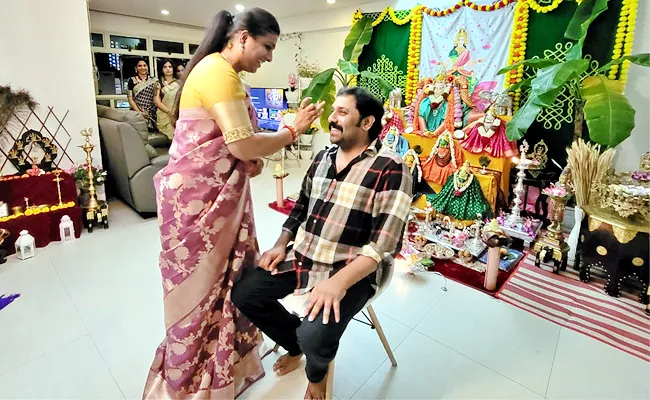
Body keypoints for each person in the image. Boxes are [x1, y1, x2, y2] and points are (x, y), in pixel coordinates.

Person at [143, 8, 324, 400]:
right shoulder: (218, 73)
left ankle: (219, 365)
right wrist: (291, 130)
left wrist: (248, 159)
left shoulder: (224, 74)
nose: (270, 57)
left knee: (227, 286)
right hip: (198, 206)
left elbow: (227, 144)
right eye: (267, 46)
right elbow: (240, 143)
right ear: (242, 37)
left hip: (213, 197)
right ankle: (193, 376)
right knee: (200, 291)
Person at [232, 87, 412, 400]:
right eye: (334, 111)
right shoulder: (324, 157)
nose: (332, 118)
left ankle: (316, 376)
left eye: (343, 112)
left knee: (315, 333)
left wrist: (338, 283)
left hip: (352, 268)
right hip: (305, 256)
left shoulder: (391, 168)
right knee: (245, 294)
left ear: (367, 122)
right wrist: (280, 243)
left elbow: (385, 244)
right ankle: (295, 345)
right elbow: (301, 207)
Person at [127, 58, 158, 130]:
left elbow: (157, 97)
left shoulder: (154, 80)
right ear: (136, 68)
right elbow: (130, 99)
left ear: (147, 67)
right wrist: (139, 113)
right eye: (140, 66)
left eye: (144, 65)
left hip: (151, 114)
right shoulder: (132, 80)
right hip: (136, 112)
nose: (142, 67)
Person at [153, 59, 180, 140]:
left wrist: (175, 113)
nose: (168, 69)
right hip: (164, 115)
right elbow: (157, 101)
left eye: (170, 67)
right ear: (162, 69)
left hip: (177, 114)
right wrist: (169, 112)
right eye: (165, 67)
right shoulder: (158, 84)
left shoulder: (179, 83)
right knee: (172, 137)